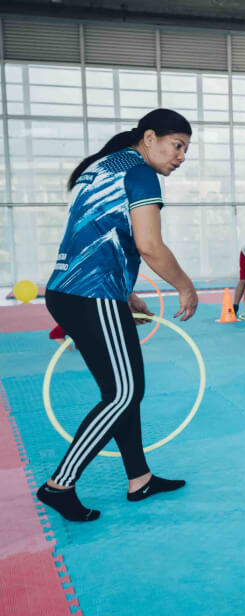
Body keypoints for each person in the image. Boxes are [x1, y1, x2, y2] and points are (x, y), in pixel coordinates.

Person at [37, 108, 198, 523]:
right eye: (177, 145)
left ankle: (139, 478)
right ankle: (60, 484)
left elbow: (96, 232)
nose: (181, 156)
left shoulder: (105, 166)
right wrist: (184, 285)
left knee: (122, 388)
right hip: (91, 294)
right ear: (149, 137)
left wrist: (125, 294)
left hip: (74, 291)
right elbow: (148, 245)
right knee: (124, 393)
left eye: (185, 148)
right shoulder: (140, 173)